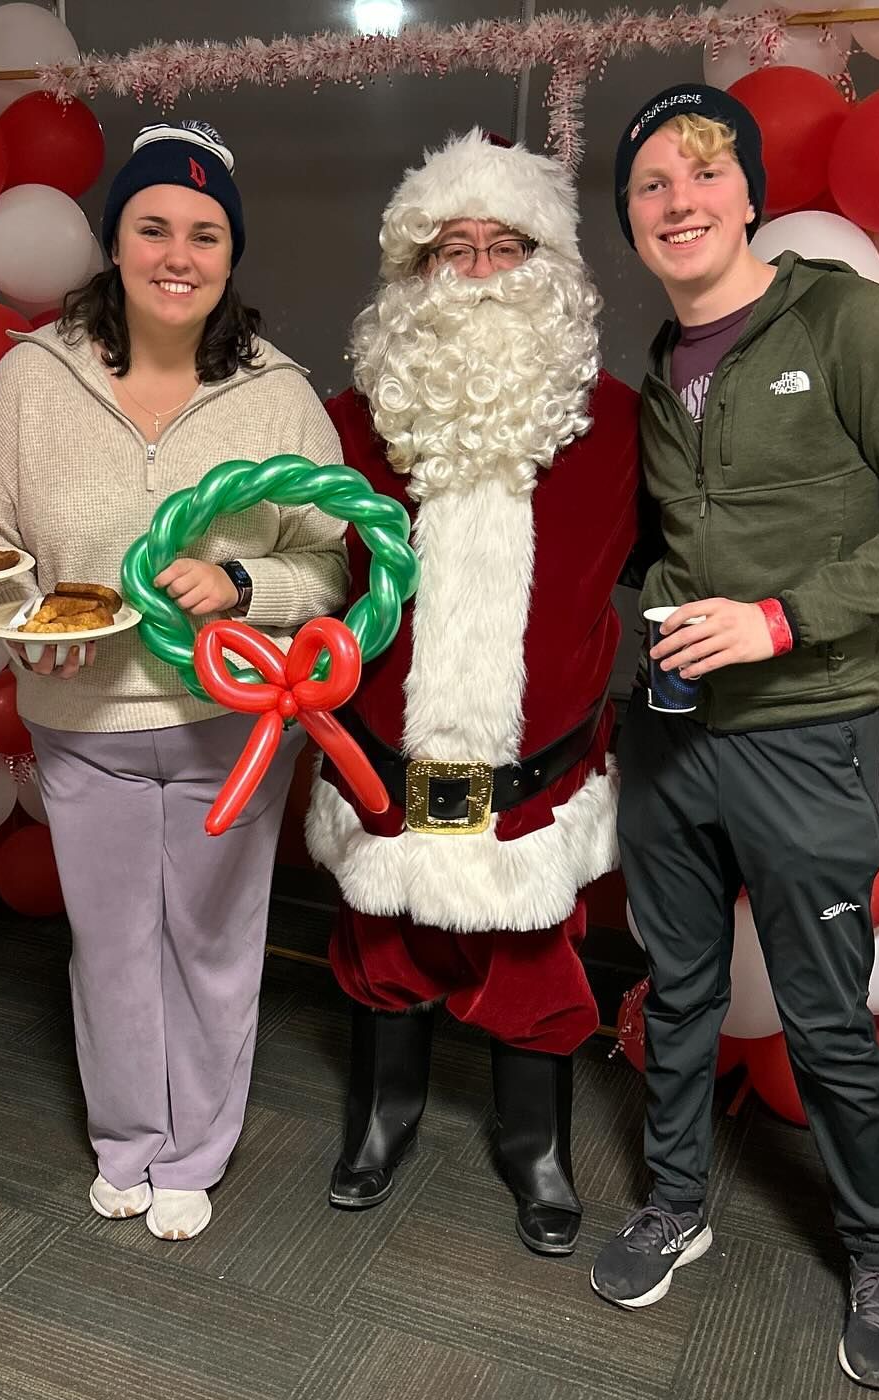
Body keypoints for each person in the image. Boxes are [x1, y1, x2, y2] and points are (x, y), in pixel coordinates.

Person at [594, 85, 879, 1391]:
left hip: (803, 736)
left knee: (827, 1017)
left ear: (750, 192)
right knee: (679, 991)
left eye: (701, 173)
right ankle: (675, 1202)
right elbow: (669, 544)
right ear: (633, 217)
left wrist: (780, 622)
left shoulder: (848, 321)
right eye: (650, 184)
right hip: (665, 739)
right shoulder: (660, 364)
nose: (678, 200)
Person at [0, 121, 348, 1243]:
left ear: (230, 255)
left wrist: (245, 580)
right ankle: (128, 1143)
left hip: (230, 718)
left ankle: (197, 1148)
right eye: (153, 225)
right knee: (110, 943)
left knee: (212, 941)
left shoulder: (281, 397)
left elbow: (334, 562)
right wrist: (19, 629)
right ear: (114, 241)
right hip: (83, 716)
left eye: (206, 234)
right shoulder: (28, 379)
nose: (178, 253)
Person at [303, 129, 640, 1256]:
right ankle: (383, 1116)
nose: (482, 273)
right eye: (455, 250)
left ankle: (532, 1144)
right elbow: (306, 579)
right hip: (385, 771)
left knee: (536, 970)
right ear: (414, 275)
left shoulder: (621, 431)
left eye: (507, 247)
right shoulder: (351, 428)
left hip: (537, 782)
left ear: (552, 268)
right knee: (380, 956)